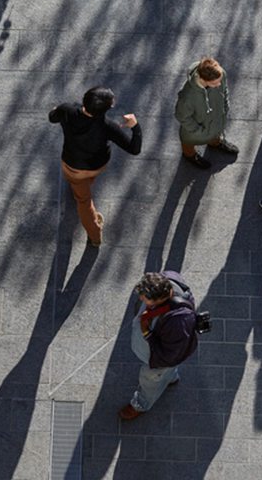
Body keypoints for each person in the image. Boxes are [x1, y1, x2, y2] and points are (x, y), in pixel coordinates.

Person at [49, 86, 142, 247]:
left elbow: (52, 117)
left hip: (73, 166)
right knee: (84, 203)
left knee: (80, 190)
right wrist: (135, 126)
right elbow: (134, 149)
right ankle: (94, 235)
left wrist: (57, 109)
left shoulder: (67, 110)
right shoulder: (108, 127)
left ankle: (78, 189)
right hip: (96, 166)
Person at [118, 271, 199, 420]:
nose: (142, 301)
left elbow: (171, 355)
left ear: (159, 299)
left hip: (158, 361)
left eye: (145, 300)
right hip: (157, 352)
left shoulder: (178, 322)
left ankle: (140, 404)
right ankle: (171, 377)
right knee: (167, 373)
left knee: (150, 381)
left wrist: (147, 335)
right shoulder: (168, 279)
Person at [174, 57, 239, 170]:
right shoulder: (187, 97)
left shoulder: (221, 74)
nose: (219, 84)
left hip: (216, 120)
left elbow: (225, 90)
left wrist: (225, 106)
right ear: (204, 80)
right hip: (195, 130)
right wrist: (198, 131)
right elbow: (182, 117)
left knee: (215, 133)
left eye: (220, 80)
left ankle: (215, 143)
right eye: (215, 83)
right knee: (188, 143)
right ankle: (189, 155)